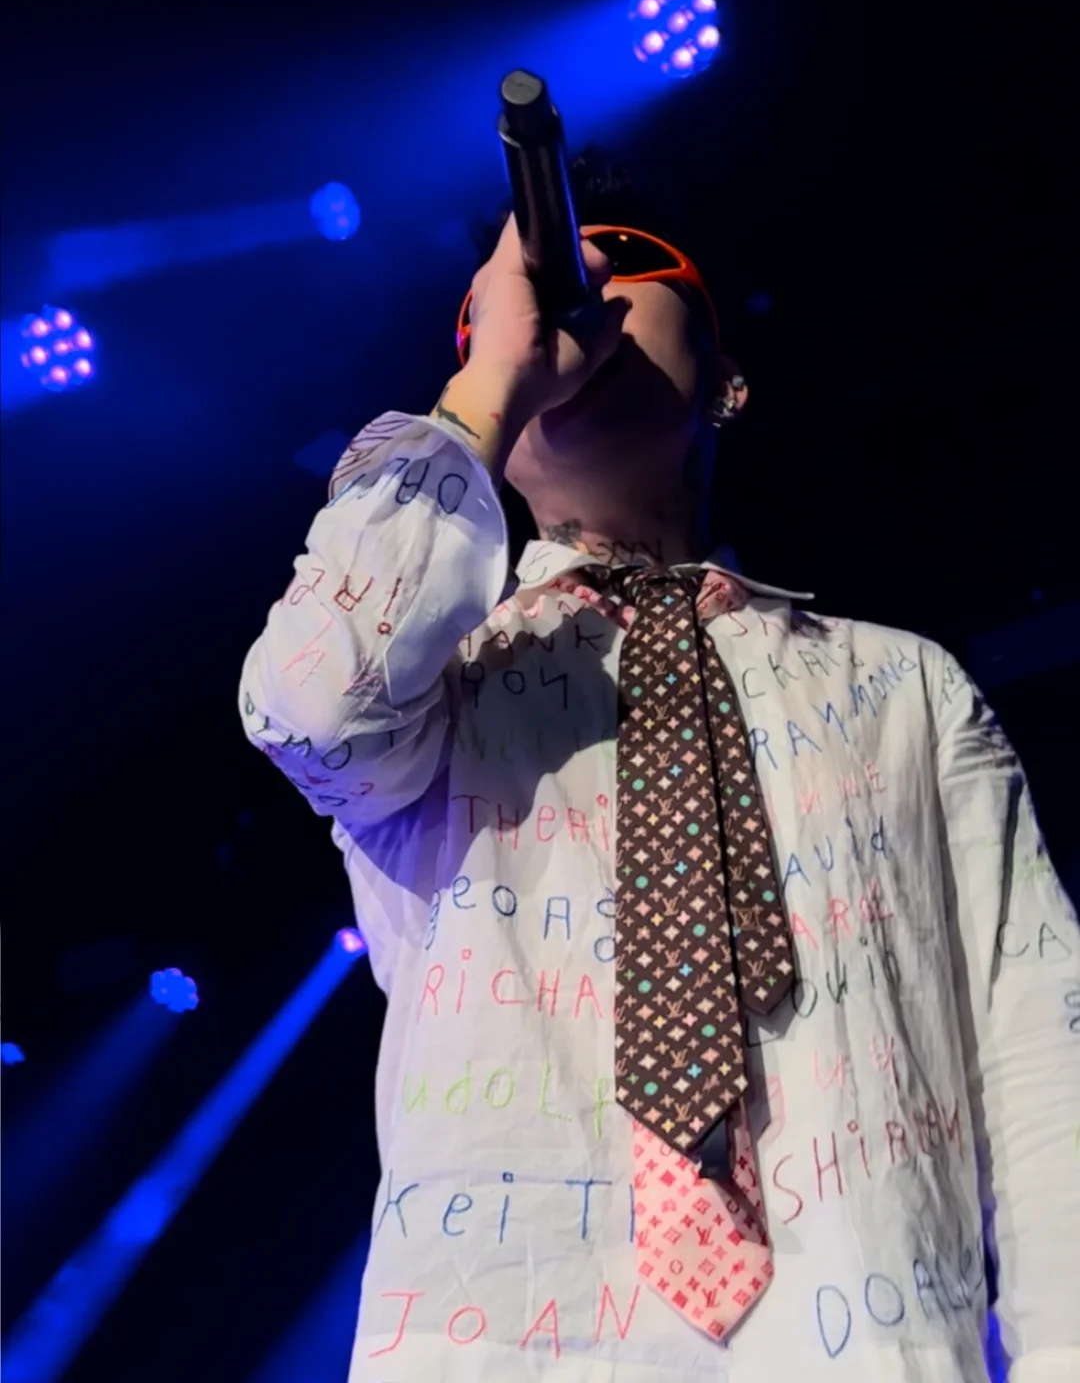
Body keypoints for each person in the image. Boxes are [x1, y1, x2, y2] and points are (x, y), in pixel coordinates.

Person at [239, 151, 1080, 1381]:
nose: (569, 296)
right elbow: (309, 705)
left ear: (727, 378)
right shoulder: (440, 686)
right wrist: (487, 386)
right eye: (507, 305)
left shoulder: (903, 687)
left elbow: (1042, 1055)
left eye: (626, 265)